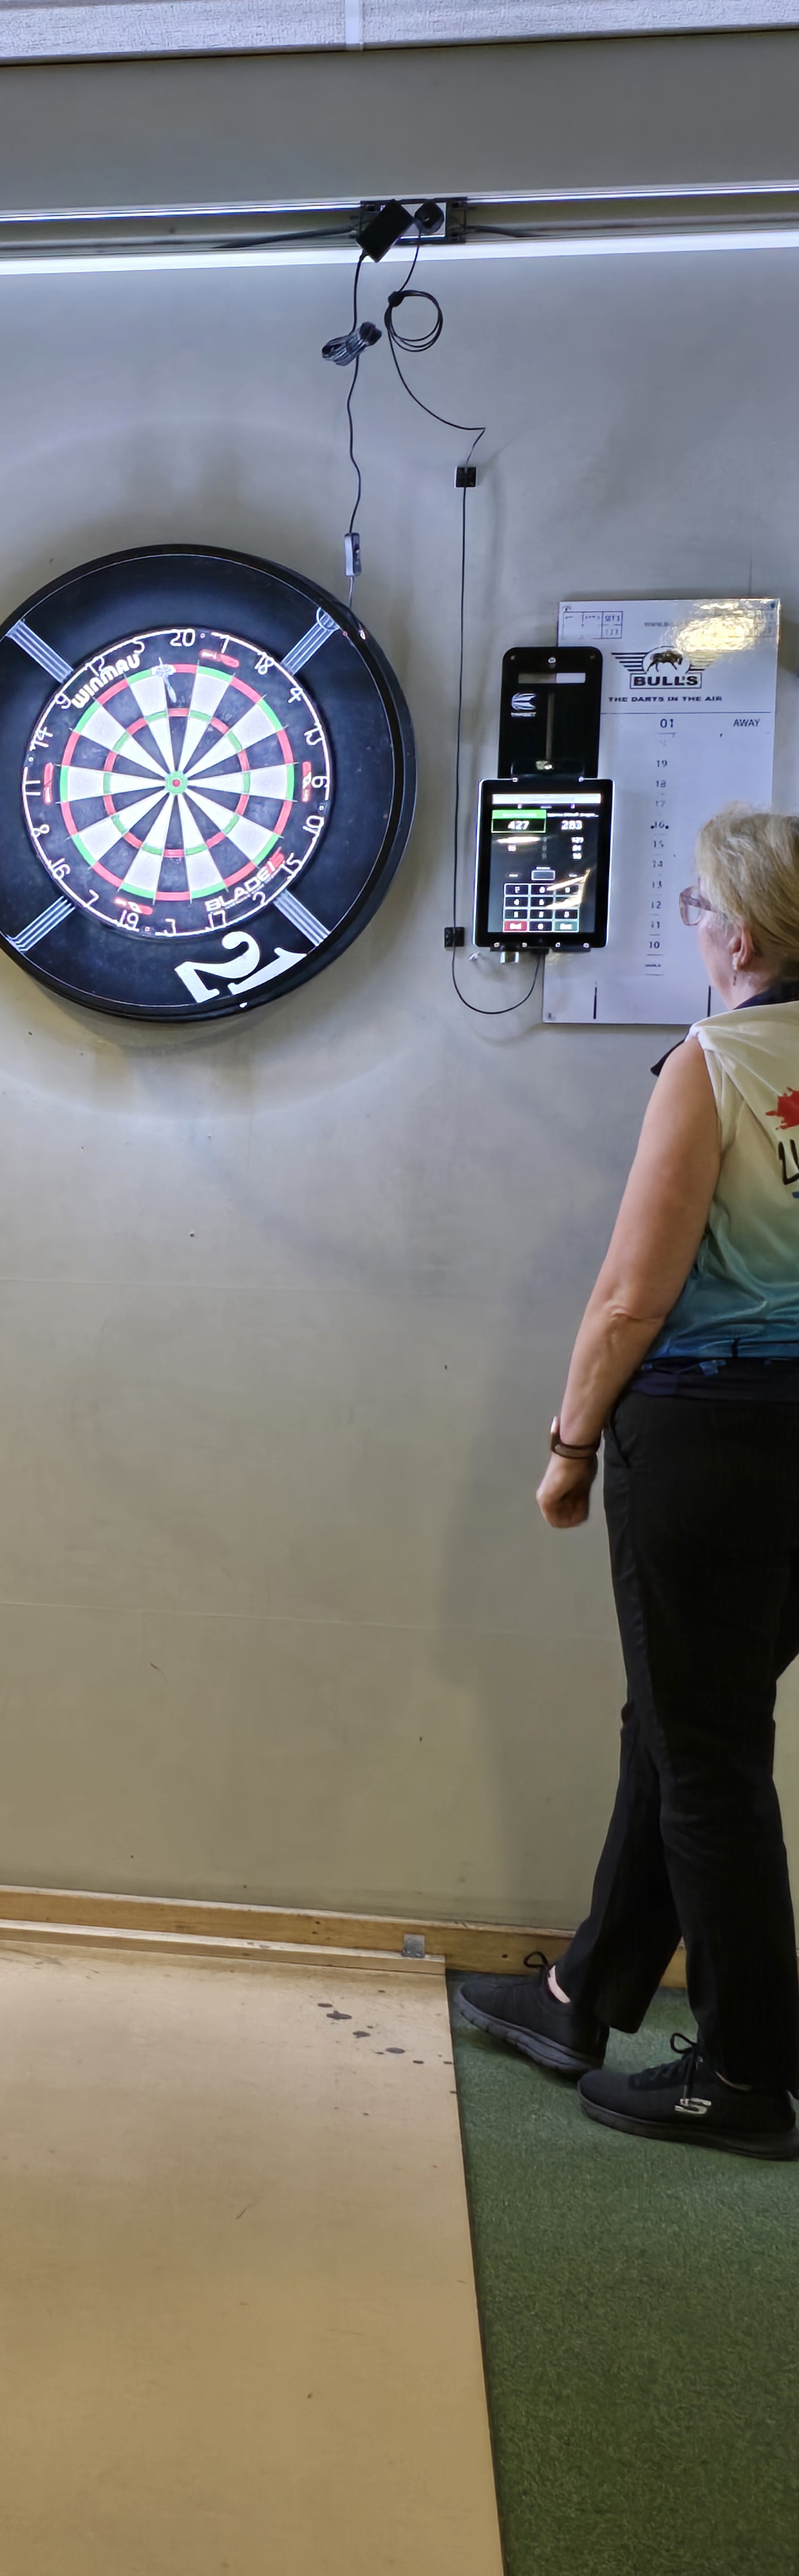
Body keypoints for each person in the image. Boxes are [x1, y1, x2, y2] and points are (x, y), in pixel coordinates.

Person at [457, 804, 799, 2162]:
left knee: (704, 1752)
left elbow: (627, 1296)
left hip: (710, 1443)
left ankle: (745, 2071)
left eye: (697, 910)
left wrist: (568, 1444)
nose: (694, 930)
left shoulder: (715, 1061)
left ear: (739, 937)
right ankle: (579, 1998)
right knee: (676, 1720)